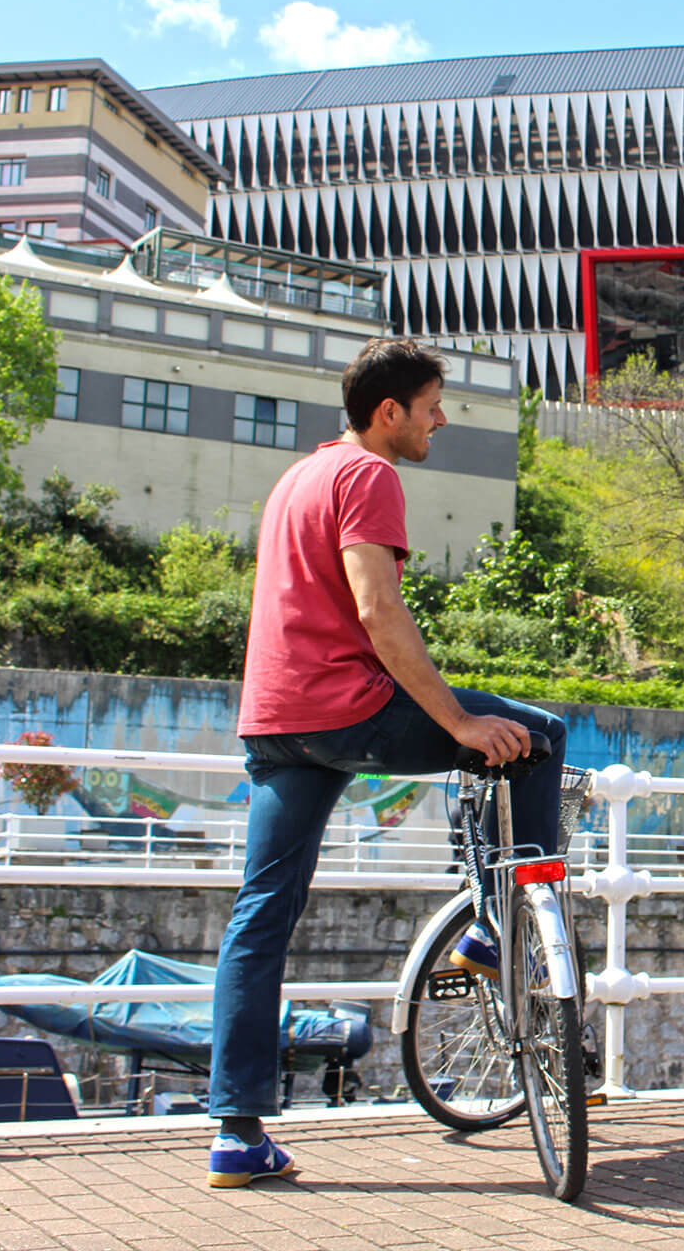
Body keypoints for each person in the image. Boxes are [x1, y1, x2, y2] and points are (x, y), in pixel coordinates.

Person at [206, 338, 567, 1188]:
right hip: (344, 708)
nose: (442, 420)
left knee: (260, 917)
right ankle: (498, 925)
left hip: (274, 721)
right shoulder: (369, 476)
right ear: (389, 411)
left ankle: (236, 1132)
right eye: (434, 405)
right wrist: (459, 721)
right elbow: (378, 611)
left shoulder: (298, 477)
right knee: (535, 736)